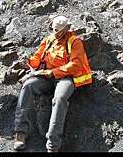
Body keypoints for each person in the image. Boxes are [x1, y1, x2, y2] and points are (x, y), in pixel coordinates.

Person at [13, 16, 93, 152]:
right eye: (54, 29)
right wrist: (27, 62)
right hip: (47, 76)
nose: (55, 32)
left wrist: (53, 72)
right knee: (28, 86)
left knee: (60, 98)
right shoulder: (49, 40)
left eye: (58, 30)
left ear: (65, 29)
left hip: (66, 78)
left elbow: (76, 65)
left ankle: (53, 144)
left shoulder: (74, 42)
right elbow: (37, 58)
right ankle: (20, 132)